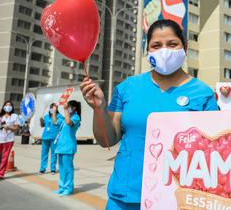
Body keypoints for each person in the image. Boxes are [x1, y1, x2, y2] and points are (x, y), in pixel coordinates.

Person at [80, 19, 218, 209]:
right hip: (125, 197)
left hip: (178, 199)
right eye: (156, 45)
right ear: (147, 49)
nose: (165, 50)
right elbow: (107, 139)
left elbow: (213, 150)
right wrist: (99, 108)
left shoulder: (202, 93)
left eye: (172, 44)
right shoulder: (127, 88)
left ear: (184, 47)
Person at [54, 100, 81, 196]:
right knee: (61, 168)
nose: (67, 108)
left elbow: (69, 122)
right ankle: (62, 186)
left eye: (69, 107)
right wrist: (54, 111)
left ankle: (68, 187)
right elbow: (55, 121)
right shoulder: (65, 117)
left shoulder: (76, 117)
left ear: (74, 108)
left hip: (68, 147)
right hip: (60, 146)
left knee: (68, 168)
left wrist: (65, 109)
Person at [39, 103, 63, 174]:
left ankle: (53, 168)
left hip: (54, 137)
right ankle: (42, 168)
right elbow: (42, 125)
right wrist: (40, 120)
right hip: (45, 137)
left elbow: (56, 122)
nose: (52, 109)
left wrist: (54, 114)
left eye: (54, 108)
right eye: (51, 108)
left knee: (54, 153)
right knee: (44, 153)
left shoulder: (59, 116)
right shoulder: (46, 116)